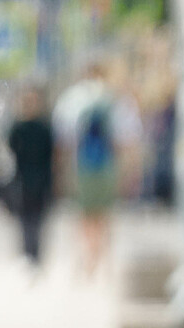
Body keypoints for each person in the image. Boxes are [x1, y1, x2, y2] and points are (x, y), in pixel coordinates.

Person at [52, 62, 138, 277]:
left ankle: (87, 256)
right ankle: (102, 258)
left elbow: (63, 136)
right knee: (104, 214)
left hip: (81, 164)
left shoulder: (73, 98)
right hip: (107, 164)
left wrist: (60, 167)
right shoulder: (114, 99)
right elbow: (127, 136)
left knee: (84, 213)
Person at [6, 85, 56, 270]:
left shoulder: (44, 128)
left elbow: (52, 155)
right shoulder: (18, 127)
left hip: (41, 181)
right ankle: (27, 254)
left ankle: (36, 256)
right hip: (22, 182)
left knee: (38, 221)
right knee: (25, 221)